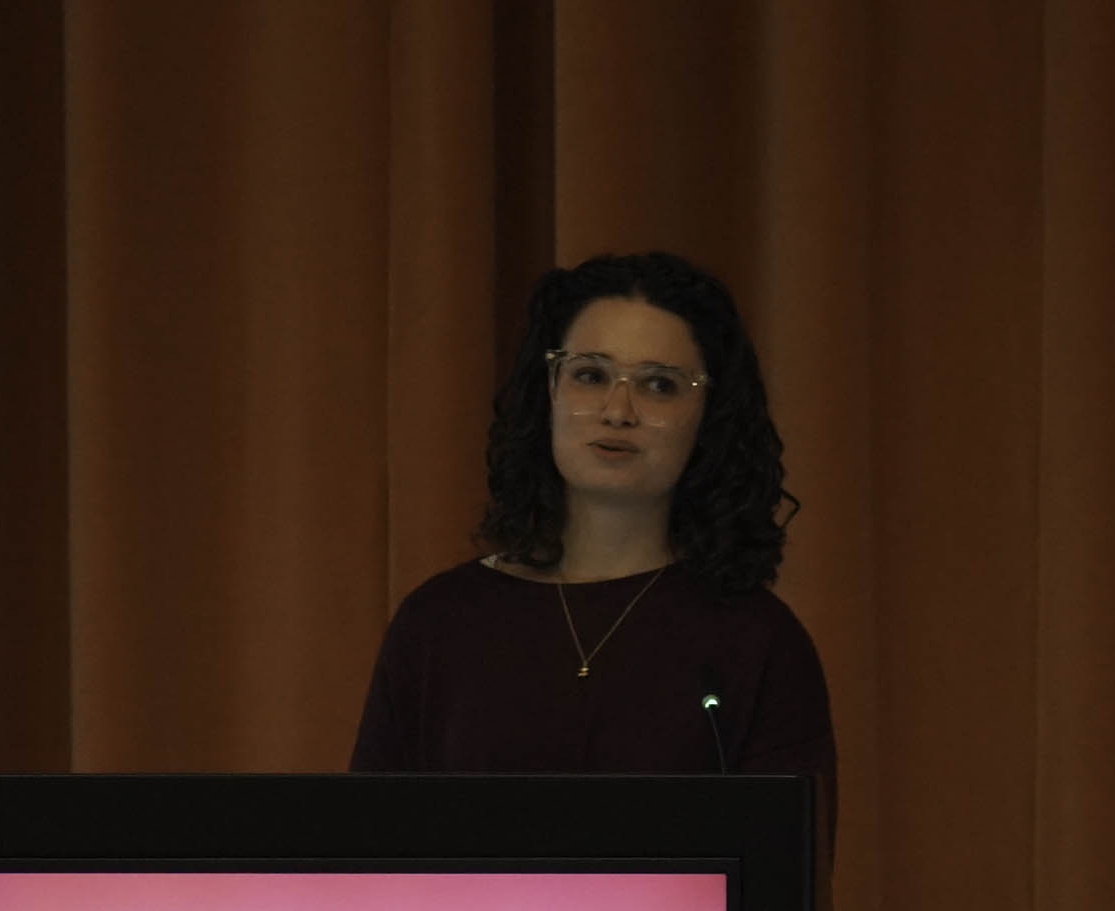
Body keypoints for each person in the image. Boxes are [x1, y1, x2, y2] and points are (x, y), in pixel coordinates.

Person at [350, 250, 836, 849]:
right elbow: (364, 856)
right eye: (590, 375)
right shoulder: (440, 623)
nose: (618, 411)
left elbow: (787, 881)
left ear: (709, 416)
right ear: (549, 391)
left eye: (659, 385)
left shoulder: (757, 642)